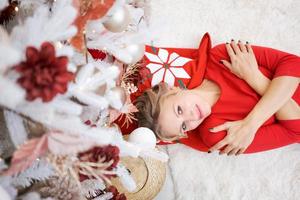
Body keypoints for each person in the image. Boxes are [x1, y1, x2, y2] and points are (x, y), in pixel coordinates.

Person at [134, 33, 300, 156]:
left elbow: (293, 63)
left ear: (173, 89)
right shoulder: (216, 133)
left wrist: (255, 81)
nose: (191, 117)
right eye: (184, 126)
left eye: (179, 110)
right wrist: (254, 77)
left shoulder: (220, 58)